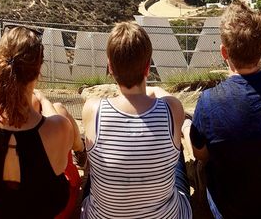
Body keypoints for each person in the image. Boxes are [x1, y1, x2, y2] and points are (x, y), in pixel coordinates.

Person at [185, 0, 261, 219]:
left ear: (224, 52)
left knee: (193, 138)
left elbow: (201, 155)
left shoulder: (209, 101)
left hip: (233, 212)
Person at [0, 25, 84, 219]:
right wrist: (44, 100)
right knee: (68, 167)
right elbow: (58, 129)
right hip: (48, 213)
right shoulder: (59, 128)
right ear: (38, 72)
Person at [80, 22, 192, 219]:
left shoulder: (93, 109)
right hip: (169, 215)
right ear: (148, 67)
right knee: (176, 152)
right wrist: (153, 91)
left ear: (110, 68)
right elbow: (163, 96)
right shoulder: (172, 108)